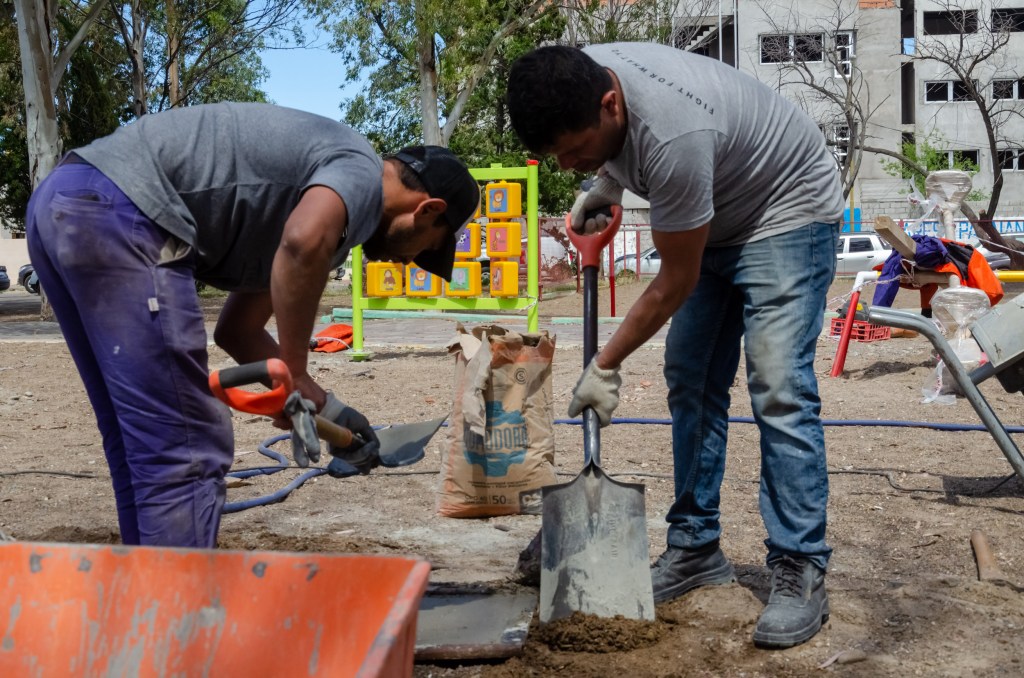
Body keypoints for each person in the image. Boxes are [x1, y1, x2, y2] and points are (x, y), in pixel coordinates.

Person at [507, 44, 843, 649]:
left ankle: (800, 565)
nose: (566, 166)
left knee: (777, 385)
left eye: (575, 150)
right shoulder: (575, 75)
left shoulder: (674, 134)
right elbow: (625, 159)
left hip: (785, 210)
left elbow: (673, 281)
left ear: (610, 103)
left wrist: (604, 365)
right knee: (690, 378)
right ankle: (695, 546)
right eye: (556, 156)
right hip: (718, 208)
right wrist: (605, 182)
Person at [25, 102, 479, 549]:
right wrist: (296, 371)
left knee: (142, 437)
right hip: (121, 209)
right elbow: (303, 245)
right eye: (424, 249)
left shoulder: (310, 198)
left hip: (64, 201)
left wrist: (326, 406)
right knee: (185, 444)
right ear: (427, 210)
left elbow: (238, 330)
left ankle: (147, 599)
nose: (406, 260)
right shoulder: (361, 173)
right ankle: (179, 613)